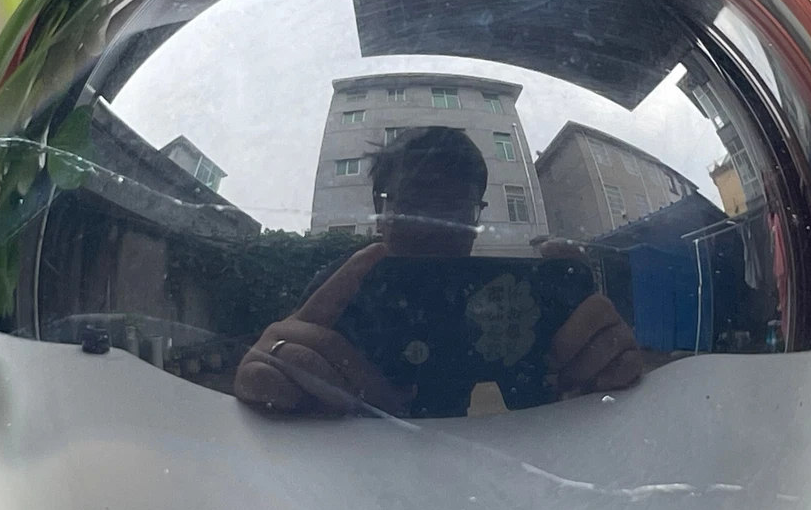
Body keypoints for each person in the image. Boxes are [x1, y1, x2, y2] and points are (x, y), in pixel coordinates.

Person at [234, 127, 640, 416]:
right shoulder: (341, 290)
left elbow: (549, 402)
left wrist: (596, 377)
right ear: (380, 210)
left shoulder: (514, 294)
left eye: (455, 206)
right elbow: (282, 371)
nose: (434, 225)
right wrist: (276, 367)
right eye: (416, 201)